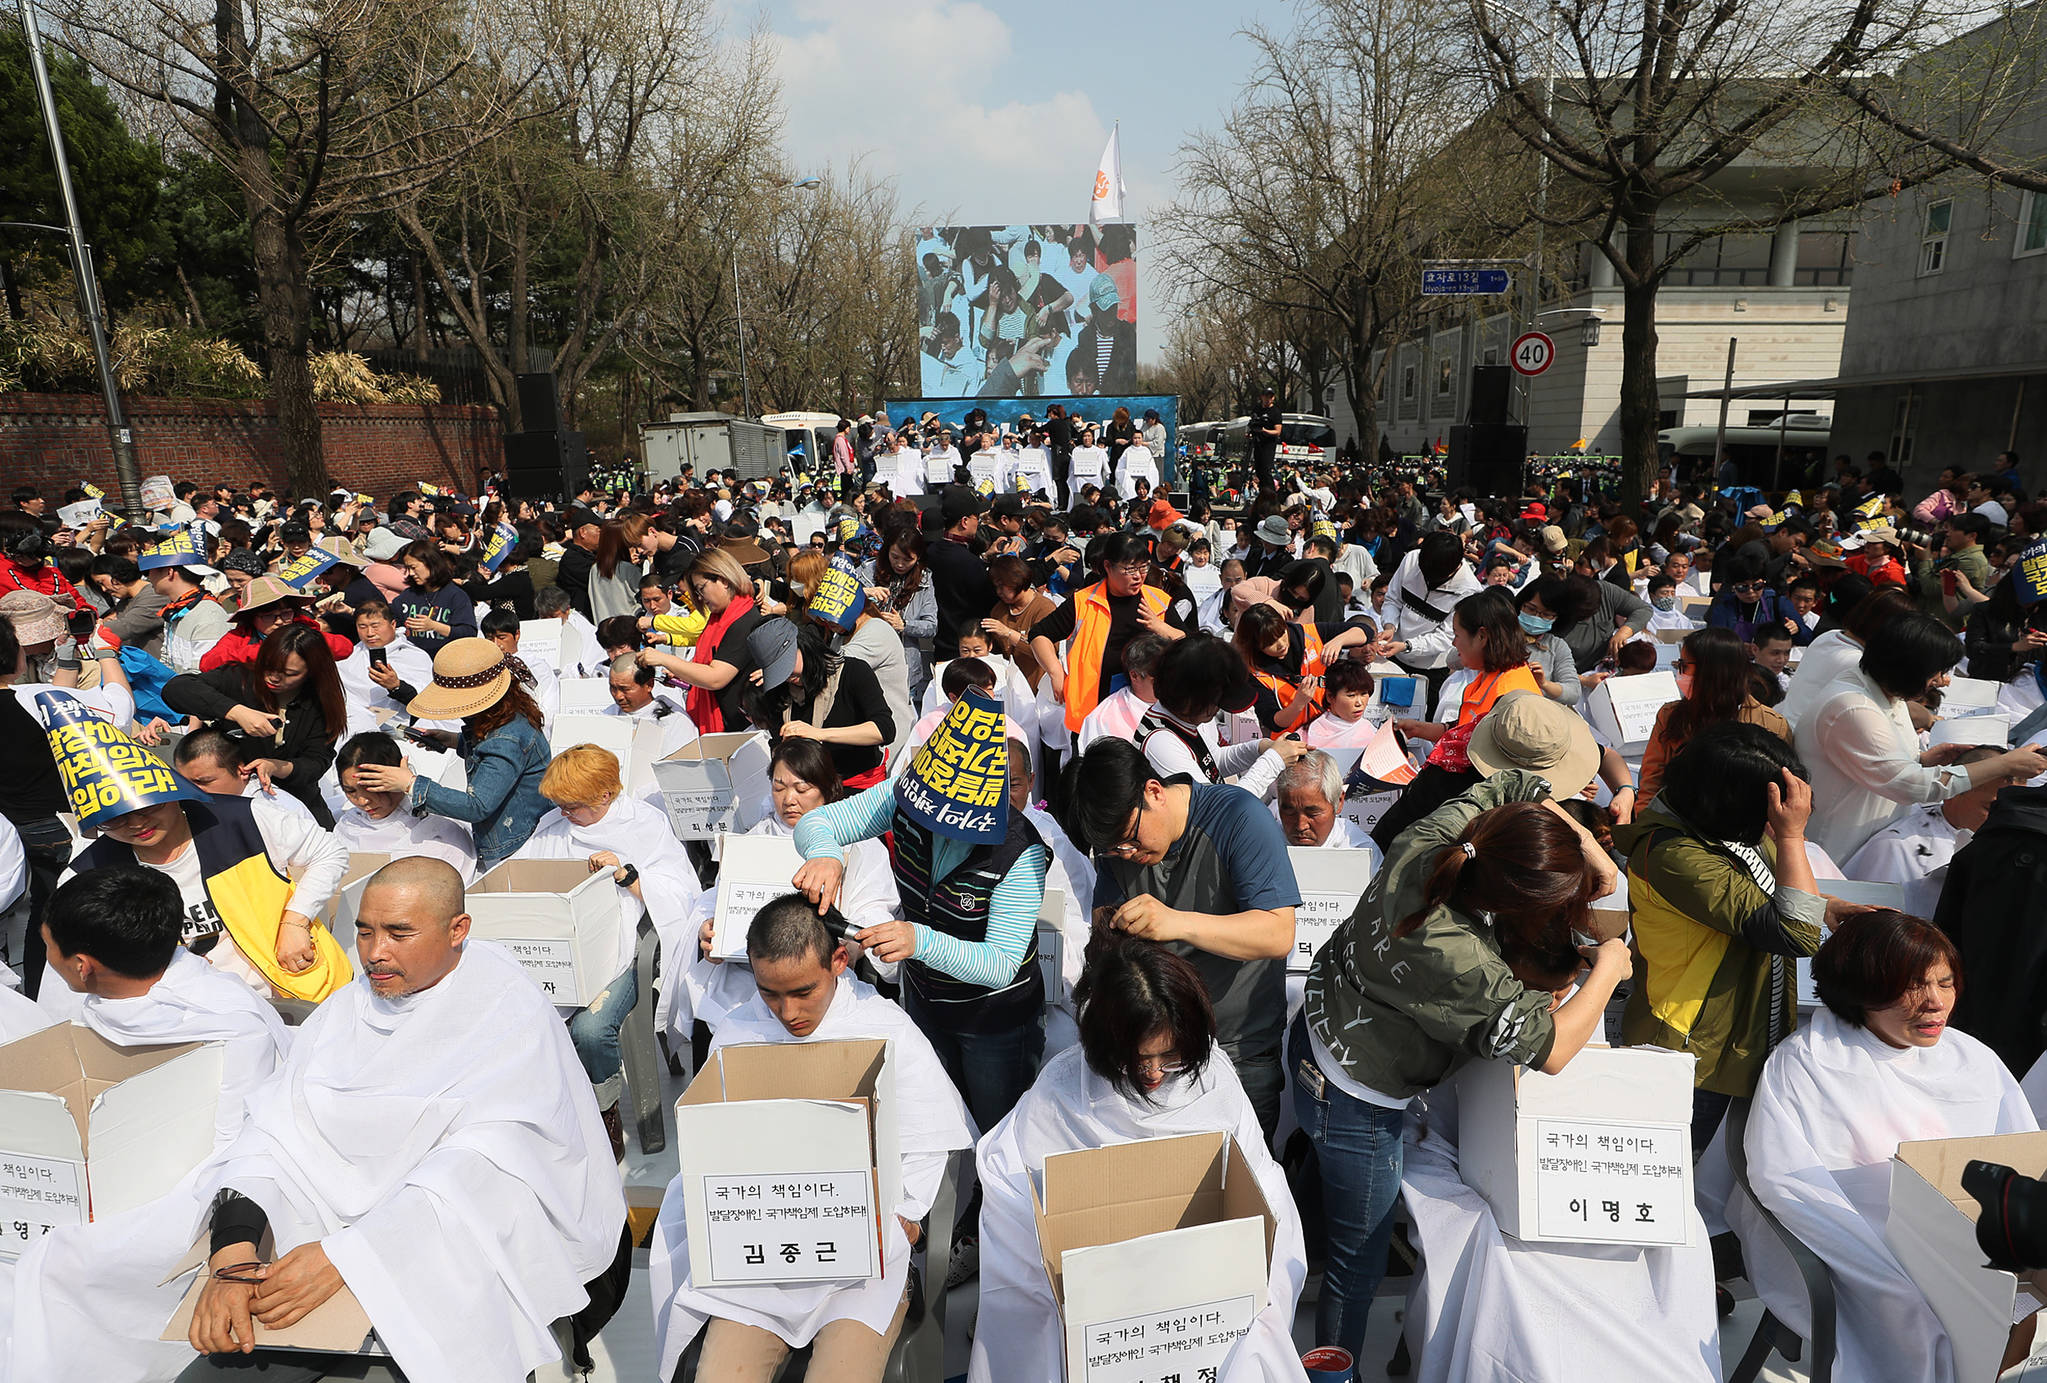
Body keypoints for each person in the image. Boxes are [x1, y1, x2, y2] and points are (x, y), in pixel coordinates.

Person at [5, 858, 627, 1383]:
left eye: (399, 933)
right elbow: (270, 1135)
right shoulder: (346, 1012)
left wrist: (346, 1257)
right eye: (363, 932)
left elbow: (486, 1166)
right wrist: (234, 1254)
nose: (375, 955)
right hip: (311, 1243)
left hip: (437, 1246)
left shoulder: (505, 1009)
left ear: (459, 929)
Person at [1295, 714, 1625, 1361]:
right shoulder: (1464, 961)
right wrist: (1609, 966)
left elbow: (1508, 788)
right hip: (1362, 1099)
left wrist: (1584, 845)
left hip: (1316, 1027)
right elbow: (1551, 1046)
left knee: (1319, 1173)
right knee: (1357, 1261)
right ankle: (1332, 1368)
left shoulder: (1433, 841)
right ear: (1512, 904)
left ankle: (1299, 1246)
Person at [650, 895, 974, 1383]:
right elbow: (710, 1147)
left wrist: (908, 1213)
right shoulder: (737, 1033)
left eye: (804, 991)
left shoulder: (885, 1029)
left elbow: (931, 1136)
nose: (788, 1011)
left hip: (864, 1266)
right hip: (758, 1261)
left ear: (840, 963)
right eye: (769, 993)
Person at [969, 931, 1309, 1383]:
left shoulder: (1217, 1083)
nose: (1152, 1073)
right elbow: (1010, 1184)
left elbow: (1261, 1184)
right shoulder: (1064, 1090)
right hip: (1102, 1304)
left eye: (1170, 1055)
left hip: (1198, 1295)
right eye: (1135, 1058)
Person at [1735, 911, 2037, 1383]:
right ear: (1863, 986)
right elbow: (1786, 1182)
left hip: (1970, 1238)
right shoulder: (1810, 1062)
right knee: (1929, 1305)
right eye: (1913, 985)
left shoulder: (1972, 1058)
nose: (1935, 1003)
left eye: (1946, 982)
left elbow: (2017, 1157)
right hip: (1857, 1241)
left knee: (2019, 1302)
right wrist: (1889, 1263)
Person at [792, 689, 1049, 1133]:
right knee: (934, 1120)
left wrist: (919, 940)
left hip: (994, 1020)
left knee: (997, 1130)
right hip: (926, 1001)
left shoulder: (1020, 856)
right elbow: (821, 821)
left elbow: (1001, 964)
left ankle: (985, 1202)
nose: (927, 826)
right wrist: (826, 856)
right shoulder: (910, 798)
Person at [1616, 723, 1837, 1152]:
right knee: (1687, 1170)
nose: (1771, 823)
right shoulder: (1675, 856)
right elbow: (1796, 932)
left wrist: (1827, 904)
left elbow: (1767, 893)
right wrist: (1792, 836)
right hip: (1693, 1050)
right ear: (1732, 803)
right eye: (1767, 812)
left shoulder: (1718, 830)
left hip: (1737, 1032)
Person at [1068, 737, 1300, 1140]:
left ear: (1153, 792)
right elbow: (1106, 934)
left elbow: (1278, 933)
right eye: (1112, 851)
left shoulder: (1238, 818)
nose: (1127, 855)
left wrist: (1178, 923)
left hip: (1238, 1046)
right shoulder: (1117, 850)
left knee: (1239, 1185)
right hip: (1155, 1051)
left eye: (1130, 840)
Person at [55, 710, 352, 1005]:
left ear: (170, 792)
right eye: (114, 820)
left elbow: (329, 852)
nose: (136, 824)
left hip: (290, 989)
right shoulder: (86, 875)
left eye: (147, 807)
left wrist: (296, 921)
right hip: (185, 1014)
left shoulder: (242, 818)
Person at [514, 744, 701, 1153]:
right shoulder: (554, 826)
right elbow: (525, 875)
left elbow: (683, 893)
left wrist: (626, 875)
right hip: (562, 942)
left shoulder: (643, 824)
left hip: (626, 944)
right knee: (520, 1017)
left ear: (605, 795)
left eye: (573, 806)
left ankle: (605, 1110)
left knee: (591, 1030)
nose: (565, 813)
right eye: (560, 805)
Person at [39, 866, 290, 1147]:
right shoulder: (93, 1002)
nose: (47, 957)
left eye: (47, 945)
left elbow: (234, 1140)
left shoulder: (237, 1028)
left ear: (81, 966)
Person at [1796, 613, 2047, 863]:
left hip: (1875, 837)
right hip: (1838, 846)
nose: (1942, 682)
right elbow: (1910, 786)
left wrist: (1922, 760)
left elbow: (1880, 763)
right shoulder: (1852, 707)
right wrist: (2004, 764)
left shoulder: (1884, 693)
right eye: (1936, 672)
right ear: (1908, 667)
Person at [347, 637, 553, 867]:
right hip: (518, 829)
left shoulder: (506, 738)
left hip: (514, 845)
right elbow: (496, 761)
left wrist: (411, 784)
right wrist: (453, 740)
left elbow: (477, 806)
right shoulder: (508, 716)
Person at [1371, 590, 1543, 848]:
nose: (1453, 643)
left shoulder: (1513, 696)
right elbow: (1464, 730)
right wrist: (1421, 729)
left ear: (1482, 637)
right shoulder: (1488, 675)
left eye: (1457, 634)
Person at [164, 623, 347, 827]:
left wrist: (274, 766)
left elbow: (316, 762)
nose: (274, 677)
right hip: (232, 802)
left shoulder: (320, 702)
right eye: (269, 666)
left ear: (312, 672)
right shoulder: (240, 677)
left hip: (297, 806)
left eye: (290, 673)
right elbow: (176, 689)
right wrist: (237, 712)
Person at [1029, 531, 1175, 741]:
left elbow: (1187, 642)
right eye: (1129, 569)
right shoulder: (1084, 601)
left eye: (1144, 567)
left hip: (1151, 716)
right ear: (1108, 566)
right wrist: (1055, 672)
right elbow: (1039, 634)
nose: (1138, 575)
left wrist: (1163, 629)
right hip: (1091, 716)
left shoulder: (1159, 600)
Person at [1637, 627, 1791, 801]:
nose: (1680, 674)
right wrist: (1649, 824)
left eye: (1685, 667)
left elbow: (1779, 794)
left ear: (1715, 672)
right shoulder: (1670, 715)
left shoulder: (1771, 724)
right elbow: (1651, 782)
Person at [1135, 632, 1300, 794]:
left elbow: (1214, 760)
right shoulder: (1161, 743)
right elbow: (1217, 812)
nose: (1217, 710)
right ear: (1190, 699)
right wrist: (1273, 761)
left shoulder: (1178, 718)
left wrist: (1261, 747)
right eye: (1216, 702)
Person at [745, 617, 895, 789]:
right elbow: (776, 743)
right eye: (777, 671)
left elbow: (885, 729)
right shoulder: (780, 692)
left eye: (786, 665)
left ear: (802, 646)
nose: (787, 677)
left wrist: (819, 734)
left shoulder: (853, 672)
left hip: (859, 788)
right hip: (807, 792)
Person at [633, 547, 763, 733]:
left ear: (724, 581)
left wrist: (665, 659)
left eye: (702, 589)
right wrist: (683, 674)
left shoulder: (743, 620)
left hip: (738, 727)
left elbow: (715, 677)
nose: (700, 598)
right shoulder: (720, 618)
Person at [332, 731, 478, 881]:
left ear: (395, 776)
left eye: (371, 788)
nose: (362, 801)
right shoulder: (349, 825)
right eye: (350, 791)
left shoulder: (437, 830)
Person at [1275, 750, 1379, 854]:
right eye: (1290, 812)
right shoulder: (1267, 843)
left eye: (1312, 813)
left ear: (1339, 802)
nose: (1301, 826)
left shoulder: (1360, 849)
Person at [389, 538, 477, 656]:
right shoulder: (407, 596)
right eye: (407, 568)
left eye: (413, 567)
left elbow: (468, 633)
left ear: (431, 563)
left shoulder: (456, 596)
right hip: (413, 662)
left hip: (445, 662)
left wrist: (434, 626)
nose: (410, 573)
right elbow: (393, 621)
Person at [1248, 384, 1282, 495]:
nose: (1268, 398)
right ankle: (1263, 493)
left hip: (1268, 444)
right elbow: (1252, 423)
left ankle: (1271, 494)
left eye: (1270, 396)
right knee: (1259, 470)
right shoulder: (1257, 409)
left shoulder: (1275, 412)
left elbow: (1277, 431)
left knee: (1266, 470)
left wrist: (1264, 431)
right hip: (1257, 443)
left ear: (1273, 398)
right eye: (1266, 396)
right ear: (1261, 397)